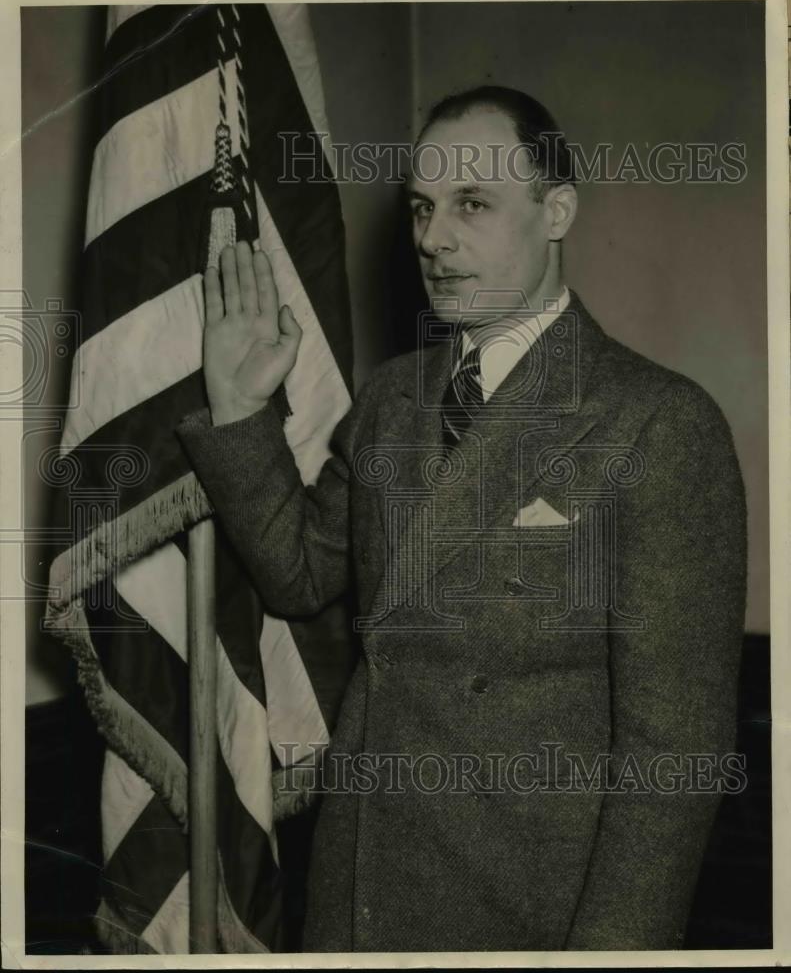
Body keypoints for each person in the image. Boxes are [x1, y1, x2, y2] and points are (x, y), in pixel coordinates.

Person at [177, 86, 747, 952]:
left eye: (471, 204)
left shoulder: (657, 422)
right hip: (362, 888)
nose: (433, 240)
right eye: (421, 208)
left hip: (529, 909)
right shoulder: (391, 400)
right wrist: (237, 411)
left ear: (555, 210)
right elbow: (297, 574)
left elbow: (672, 759)